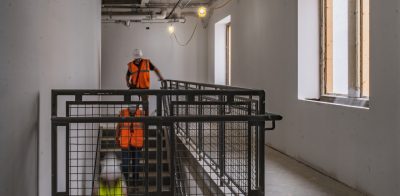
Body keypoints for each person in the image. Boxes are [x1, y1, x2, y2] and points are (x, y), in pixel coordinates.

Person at [116, 106, 144, 187]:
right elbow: (119, 126)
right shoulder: (123, 112)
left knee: (136, 165)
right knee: (125, 165)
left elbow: (144, 127)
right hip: (125, 142)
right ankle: (125, 183)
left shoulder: (141, 113)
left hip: (137, 142)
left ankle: (135, 183)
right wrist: (117, 137)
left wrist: (144, 139)